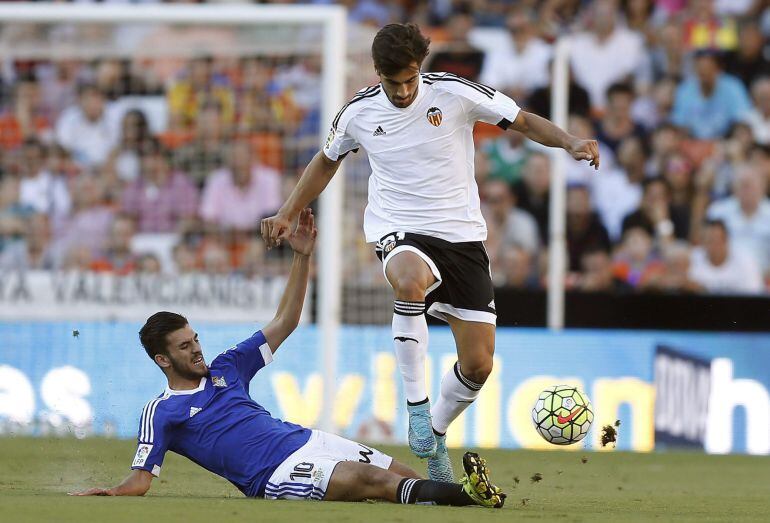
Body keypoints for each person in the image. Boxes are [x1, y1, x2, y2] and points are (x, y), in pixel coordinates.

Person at [261, 23, 599, 483]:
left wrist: (570, 142)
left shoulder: (455, 93)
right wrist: (288, 210)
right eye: (392, 81)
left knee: (478, 364)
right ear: (377, 72)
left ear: (421, 67)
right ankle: (417, 408)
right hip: (398, 228)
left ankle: (434, 431)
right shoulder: (357, 112)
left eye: (410, 79)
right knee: (407, 278)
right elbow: (326, 159)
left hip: (461, 236)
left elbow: (520, 119)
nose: (402, 91)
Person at [69, 209, 506, 509]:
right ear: (163, 360)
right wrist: (111, 494)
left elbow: (286, 320)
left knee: (400, 472)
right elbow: (142, 478)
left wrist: (302, 257)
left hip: (307, 440)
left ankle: (461, 497)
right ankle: (469, 496)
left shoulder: (226, 366)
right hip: (273, 475)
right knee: (367, 480)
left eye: (195, 338)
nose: (197, 348)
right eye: (185, 347)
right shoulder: (162, 412)